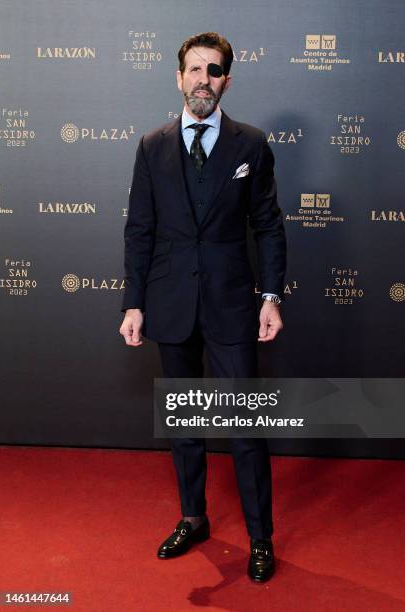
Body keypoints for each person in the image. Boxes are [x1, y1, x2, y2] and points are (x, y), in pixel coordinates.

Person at [119, 32, 286, 583]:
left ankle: (260, 536)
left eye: (214, 71)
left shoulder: (251, 144)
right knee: (186, 422)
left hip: (232, 304)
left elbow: (267, 225)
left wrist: (270, 296)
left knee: (244, 426)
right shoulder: (151, 145)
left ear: (227, 81)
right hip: (170, 303)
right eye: (194, 70)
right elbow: (139, 231)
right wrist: (134, 304)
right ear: (178, 76)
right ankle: (194, 517)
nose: (203, 80)